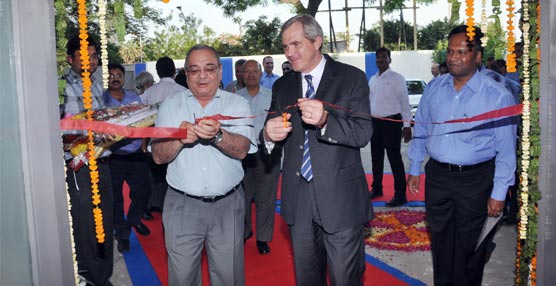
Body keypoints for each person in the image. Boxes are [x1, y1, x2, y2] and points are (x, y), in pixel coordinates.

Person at [263, 15, 373, 285]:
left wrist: (326, 121)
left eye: (296, 44)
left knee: (345, 278)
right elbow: (270, 125)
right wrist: (268, 134)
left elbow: (362, 133)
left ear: (317, 41)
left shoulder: (351, 78)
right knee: (307, 279)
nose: (289, 52)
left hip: (341, 198)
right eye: (285, 46)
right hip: (298, 199)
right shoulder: (282, 85)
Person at [407, 25, 517, 285]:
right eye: (449, 51)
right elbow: (421, 128)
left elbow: (506, 148)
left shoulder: (497, 96)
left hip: (476, 180)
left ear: (478, 56)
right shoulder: (434, 89)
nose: (453, 57)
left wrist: (499, 192)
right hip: (438, 177)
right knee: (442, 242)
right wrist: (414, 167)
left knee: (471, 247)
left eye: (461, 52)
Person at [151, 44, 256, 286]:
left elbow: (242, 150)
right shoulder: (170, 105)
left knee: (229, 276)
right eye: (194, 70)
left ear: (220, 71)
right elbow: (157, 155)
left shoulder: (237, 104)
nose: (202, 76)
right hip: (182, 206)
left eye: (209, 69)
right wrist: (178, 138)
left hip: (227, 206)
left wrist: (219, 136)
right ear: (185, 74)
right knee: (182, 277)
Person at [61, 36, 114, 286]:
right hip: (81, 167)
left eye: (94, 56)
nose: (91, 60)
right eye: (84, 55)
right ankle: (94, 279)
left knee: (106, 221)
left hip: (103, 162)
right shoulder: (63, 88)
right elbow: (64, 133)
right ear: (70, 59)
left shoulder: (94, 84)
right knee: (86, 227)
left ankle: (104, 275)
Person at [103, 63, 151, 253]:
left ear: (124, 78)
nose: (115, 78)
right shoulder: (101, 100)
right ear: (107, 78)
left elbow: (146, 120)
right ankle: (122, 235)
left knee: (143, 192)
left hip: (136, 153)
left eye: (119, 75)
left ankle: (134, 220)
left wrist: (145, 144)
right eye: (112, 75)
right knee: (115, 199)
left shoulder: (134, 97)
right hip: (113, 157)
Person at [237, 59, 280, 255]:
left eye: (255, 71)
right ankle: (245, 231)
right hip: (243, 154)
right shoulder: (235, 99)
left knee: (266, 198)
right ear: (241, 75)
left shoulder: (272, 97)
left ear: (261, 74)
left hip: (267, 154)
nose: (251, 74)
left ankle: (263, 238)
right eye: (247, 72)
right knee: (242, 198)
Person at [140, 56, 188, 217]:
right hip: (177, 142)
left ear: (158, 72)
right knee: (173, 177)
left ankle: (154, 205)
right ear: (174, 71)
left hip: (154, 140)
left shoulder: (149, 92)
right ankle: (171, 207)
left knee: (154, 175)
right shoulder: (182, 91)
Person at [368, 47, 412, 207]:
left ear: (389, 59)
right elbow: (370, 102)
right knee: (376, 159)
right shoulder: (373, 79)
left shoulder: (397, 78)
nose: (380, 60)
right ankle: (377, 188)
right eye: (378, 57)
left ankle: (400, 195)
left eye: (383, 57)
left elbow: (404, 102)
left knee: (395, 159)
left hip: (392, 123)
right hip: (375, 124)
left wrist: (407, 125)